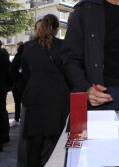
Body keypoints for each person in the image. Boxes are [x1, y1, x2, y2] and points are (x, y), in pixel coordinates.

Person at [20, 14, 70, 166]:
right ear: (56, 29)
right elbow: (69, 71)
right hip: (58, 99)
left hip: (35, 99)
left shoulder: (28, 46)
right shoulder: (62, 45)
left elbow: (26, 73)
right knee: (60, 143)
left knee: (35, 146)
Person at [9, 42, 25, 127]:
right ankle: (18, 118)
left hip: (17, 84)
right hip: (19, 84)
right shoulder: (22, 56)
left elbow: (12, 68)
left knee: (18, 102)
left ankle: (17, 118)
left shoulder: (19, 56)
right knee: (19, 102)